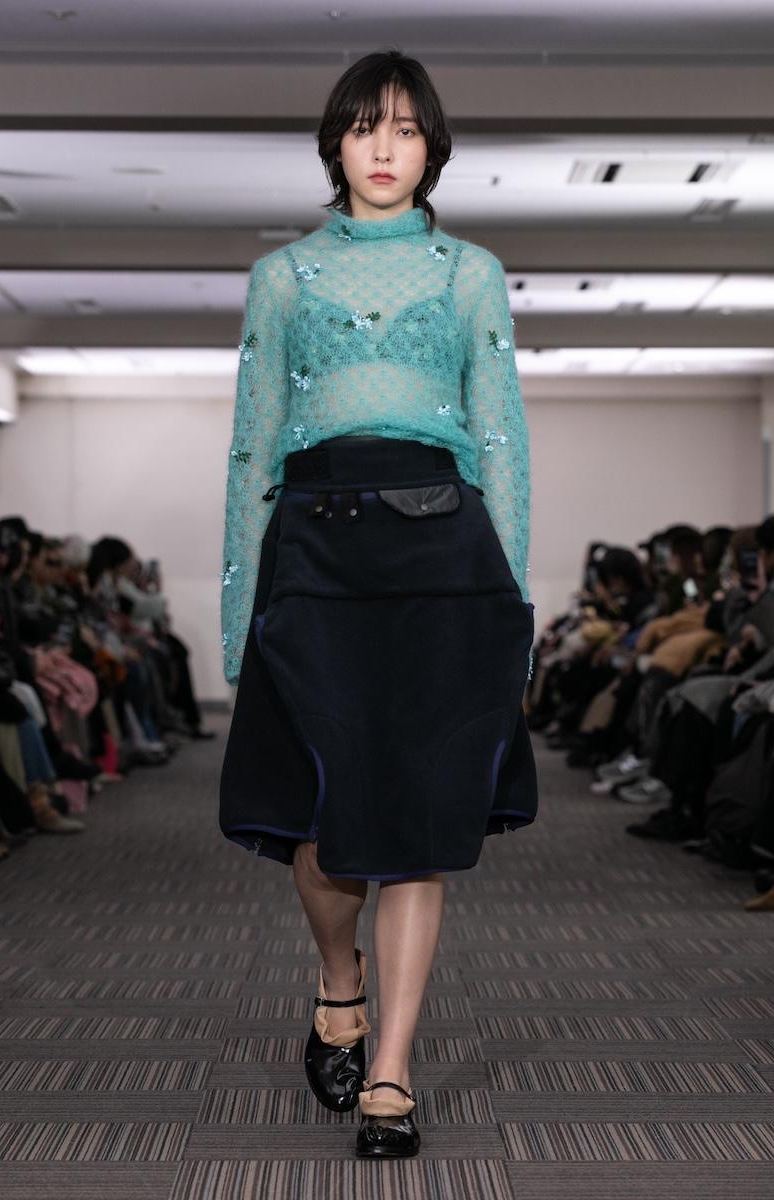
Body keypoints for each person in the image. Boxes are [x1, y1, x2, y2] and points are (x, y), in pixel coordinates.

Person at [219, 48, 537, 1159]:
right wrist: (236, 613)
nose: (385, 149)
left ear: (432, 146)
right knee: (323, 822)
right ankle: (336, 975)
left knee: (418, 824)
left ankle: (390, 1072)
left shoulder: (471, 273)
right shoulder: (283, 278)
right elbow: (252, 442)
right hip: (314, 548)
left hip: (445, 554)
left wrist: (514, 606)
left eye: (405, 128)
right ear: (335, 145)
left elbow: (500, 434)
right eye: (365, 128)